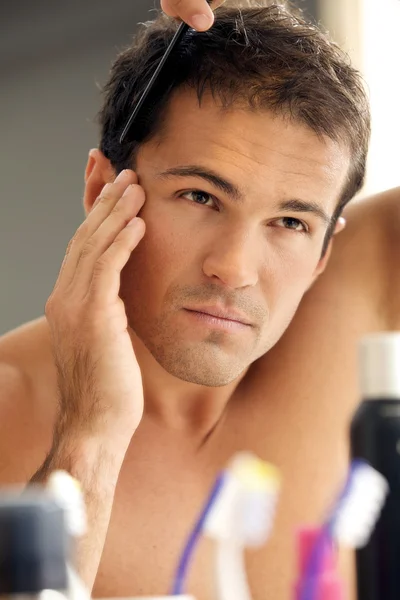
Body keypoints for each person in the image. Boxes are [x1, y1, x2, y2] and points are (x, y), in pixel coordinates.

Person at [0, 1, 398, 598]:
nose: (234, 269)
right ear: (102, 190)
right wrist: (90, 437)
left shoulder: (356, 287)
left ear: (322, 251)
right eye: (200, 197)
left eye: (290, 223)